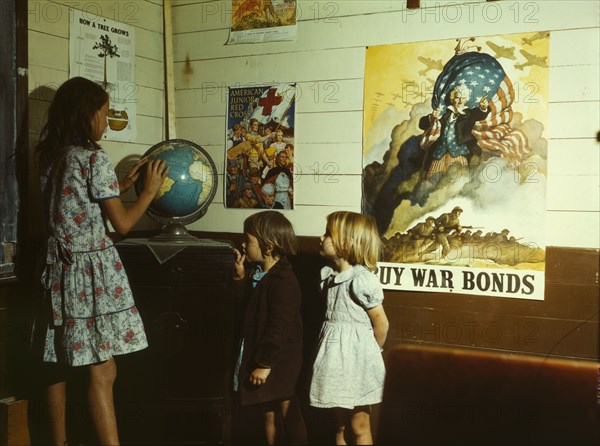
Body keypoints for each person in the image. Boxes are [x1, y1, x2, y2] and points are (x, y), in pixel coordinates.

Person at [34, 76, 169, 445]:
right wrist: (149, 192)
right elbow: (123, 224)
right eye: (104, 114)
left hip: (56, 271)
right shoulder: (94, 157)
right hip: (90, 275)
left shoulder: (51, 154)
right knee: (103, 370)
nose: (107, 122)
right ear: (87, 114)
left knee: (57, 360)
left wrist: (119, 187)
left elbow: (71, 205)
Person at [309, 211, 389, 445]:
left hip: (356, 364)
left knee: (359, 425)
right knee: (338, 425)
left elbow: (381, 323)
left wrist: (370, 354)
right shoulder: (329, 278)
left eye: (327, 234)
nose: (321, 238)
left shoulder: (360, 280)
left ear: (347, 242)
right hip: (333, 363)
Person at [232, 211, 307, 445]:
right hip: (263, 356)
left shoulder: (284, 281)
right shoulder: (260, 275)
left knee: (288, 411)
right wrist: (240, 278)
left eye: (249, 241)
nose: (243, 245)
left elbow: (279, 326)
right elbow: (247, 311)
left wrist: (264, 364)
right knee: (267, 412)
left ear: (268, 246)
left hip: (279, 361)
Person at [419, 84, 490, 182]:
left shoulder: (469, 114)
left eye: (463, 98)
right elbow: (422, 125)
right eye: (457, 97)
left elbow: (479, 114)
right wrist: (431, 117)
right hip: (439, 154)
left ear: (466, 100)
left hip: (459, 154)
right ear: (452, 99)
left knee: (457, 182)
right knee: (431, 181)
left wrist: (483, 108)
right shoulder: (444, 115)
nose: (460, 101)